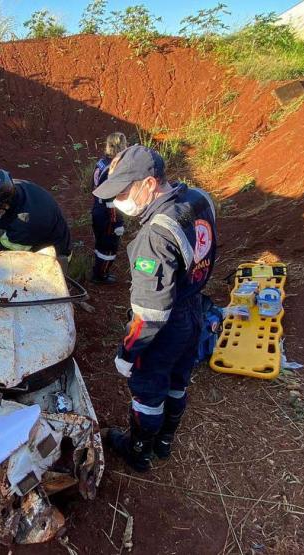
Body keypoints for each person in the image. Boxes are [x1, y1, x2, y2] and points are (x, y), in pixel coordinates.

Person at [92, 145, 217, 473]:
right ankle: (164, 441)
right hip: (194, 309)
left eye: (123, 191)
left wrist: (128, 351)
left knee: (147, 389)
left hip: (168, 322)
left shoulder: (154, 236)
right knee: (178, 379)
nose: (118, 200)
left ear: (149, 184)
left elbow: (151, 314)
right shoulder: (199, 198)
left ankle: (138, 450)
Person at [0, 168, 72, 268]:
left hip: (52, 259)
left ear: (3, 206)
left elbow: (2, 256)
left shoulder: (25, 224)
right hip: (38, 233)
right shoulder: (12, 187)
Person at [91, 132, 128, 284]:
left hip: (97, 209)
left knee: (100, 242)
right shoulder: (113, 169)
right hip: (107, 214)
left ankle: (98, 271)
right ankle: (100, 276)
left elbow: (93, 187)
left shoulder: (101, 163)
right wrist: (117, 223)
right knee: (109, 246)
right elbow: (110, 200)